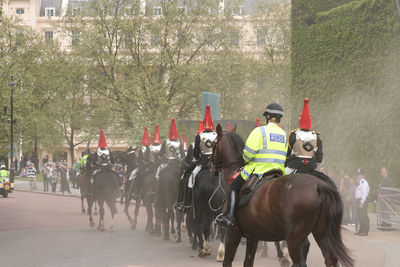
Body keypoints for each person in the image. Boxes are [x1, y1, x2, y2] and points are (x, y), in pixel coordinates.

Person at [216, 102, 288, 227]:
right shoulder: (284, 134)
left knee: (233, 186)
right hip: (279, 172)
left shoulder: (259, 131)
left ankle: (229, 217)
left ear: (267, 116)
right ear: (279, 118)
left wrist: (246, 159)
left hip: (259, 170)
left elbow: (247, 155)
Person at [285, 98, 336, 188]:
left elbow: (288, 154)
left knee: (280, 179)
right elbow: (319, 158)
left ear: (299, 122)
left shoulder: (293, 134)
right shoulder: (316, 136)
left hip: (295, 165)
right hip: (311, 166)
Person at [176, 105, 217, 212]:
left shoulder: (199, 135)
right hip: (215, 162)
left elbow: (195, 154)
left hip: (202, 162)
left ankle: (187, 203)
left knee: (191, 177)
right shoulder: (216, 135)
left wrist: (197, 159)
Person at [354, 168, 370, 236]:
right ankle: (361, 230)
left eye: (360, 175)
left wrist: (361, 202)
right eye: (358, 174)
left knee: (363, 215)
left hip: (362, 200)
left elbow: (364, 193)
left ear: (363, 175)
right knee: (360, 216)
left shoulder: (364, 182)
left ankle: (365, 231)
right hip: (358, 200)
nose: (358, 176)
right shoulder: (360, 182)